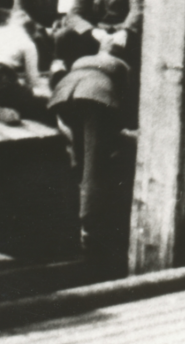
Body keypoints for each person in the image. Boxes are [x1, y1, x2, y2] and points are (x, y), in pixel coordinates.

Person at [48, 37, 131, 273]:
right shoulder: (121, 66)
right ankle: (89, 230)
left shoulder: (81, 60)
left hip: (62, 99)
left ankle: (70, 220)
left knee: (77, 162)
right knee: (93, 168)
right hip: (95, 101)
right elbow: (126, 103)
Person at [0, 9, 52, 124]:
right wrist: (46, 91)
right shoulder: (28, 43)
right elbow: (33, 81)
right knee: (41, 104)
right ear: (31, 31)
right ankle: (0, 108)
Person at [13, 0, 62, 69]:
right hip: (28, 26)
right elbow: (20, 15)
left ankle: (57, 66)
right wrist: (42, 29)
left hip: (48, 26)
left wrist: (57, 22)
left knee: (63, 34)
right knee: (39, 38)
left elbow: (60, 11)